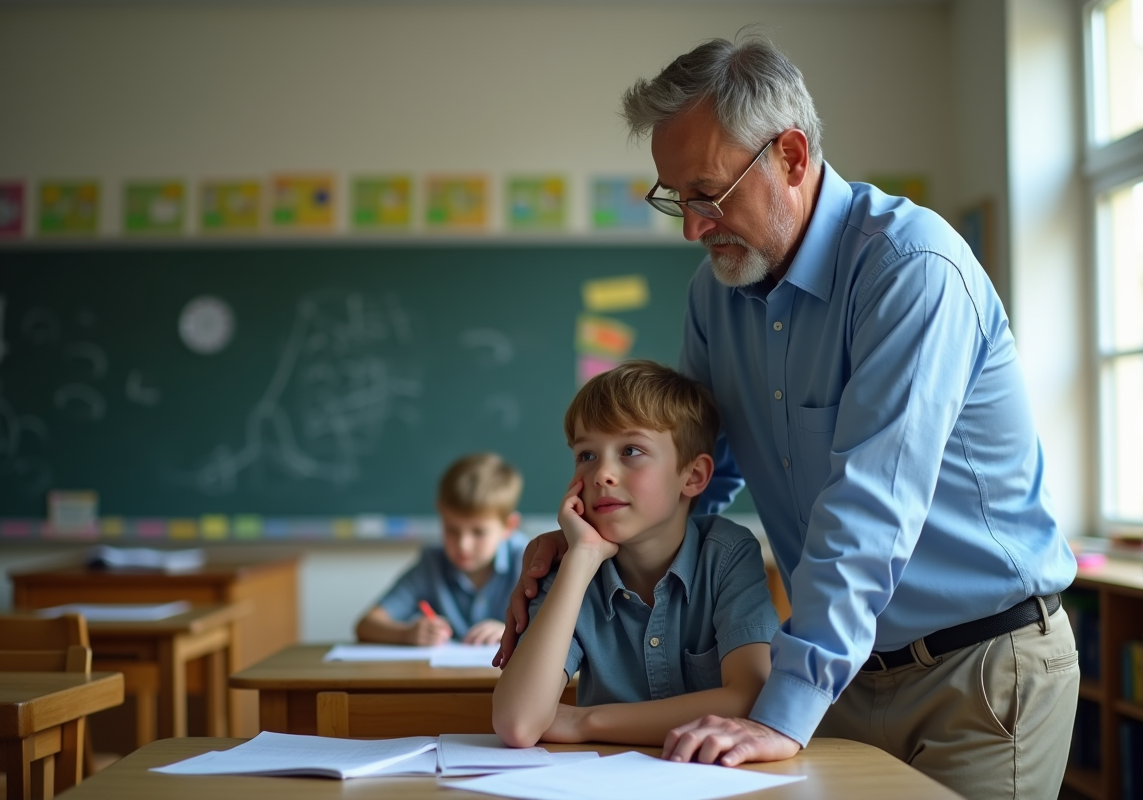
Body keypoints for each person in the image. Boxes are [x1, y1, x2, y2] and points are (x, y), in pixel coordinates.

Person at [497, 33, 1080, 800]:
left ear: (793, 157)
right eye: (676, 198)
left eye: (707, 194)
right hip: (844, 670)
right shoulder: (715, 295)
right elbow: (696, 469)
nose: (691, 228)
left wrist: (787, 709)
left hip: (977, 671)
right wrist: (581, 543)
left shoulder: (911, 269)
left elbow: (872, 508)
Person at [491, 360, 779, 749]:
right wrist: (581, 560)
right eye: (586, 455)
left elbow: (752, 699)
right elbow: (518, 724)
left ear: (693, 476)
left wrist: (582, 722)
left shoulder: (727, 555)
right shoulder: (569, 565)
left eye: (631, 450)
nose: (601, 475)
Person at [355, 451, 526, 646]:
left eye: (478, 532)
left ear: (509, 527)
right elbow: (366, 625)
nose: (463, 545)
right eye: (452, 530)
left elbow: (561, 633)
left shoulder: (529, 562)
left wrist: (511, 632)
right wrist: (407, 633)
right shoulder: (432, 564)